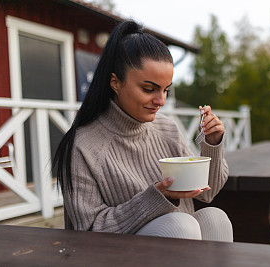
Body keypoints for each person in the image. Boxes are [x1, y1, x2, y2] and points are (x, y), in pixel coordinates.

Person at [53, 20, 233, 242]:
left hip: (180, 250)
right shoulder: (83, 145)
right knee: (180, 225)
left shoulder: (167, 128)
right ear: (115, 82)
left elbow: (207, 192)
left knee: (215, 218)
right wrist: (155, 197)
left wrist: (212, 145)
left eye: (166, 90)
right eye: (149, 89)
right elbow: (88, 231)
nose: (161, 101)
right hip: (114, 254)